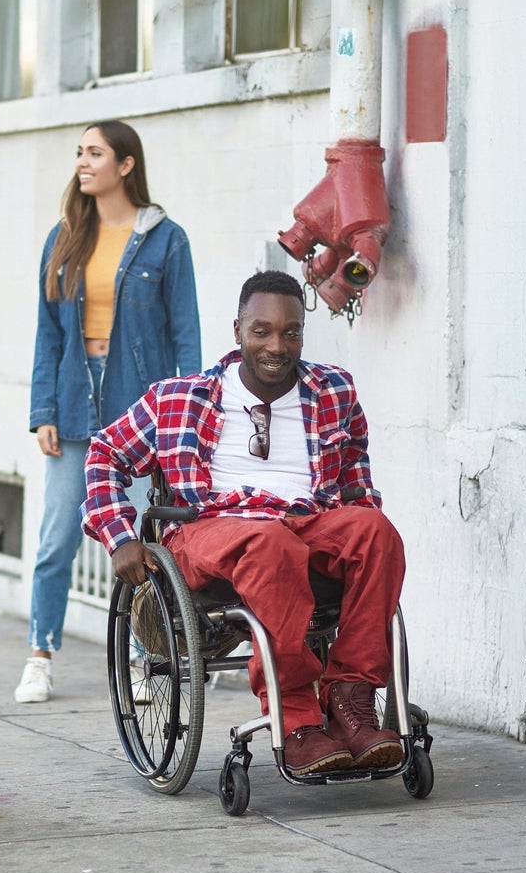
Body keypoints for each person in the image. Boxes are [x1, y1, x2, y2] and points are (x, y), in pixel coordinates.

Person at [82, 269, 406, 775]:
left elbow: (357, 486)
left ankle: (350, 700)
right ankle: (296, 719)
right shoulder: (179, 398)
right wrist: (120, 536)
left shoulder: (333, 391)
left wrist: (363, 544)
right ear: (238, 332)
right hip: (211, 527)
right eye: (262, 331)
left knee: (376, 532)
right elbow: (104, 454)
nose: (277, 345)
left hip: (307, 520)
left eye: (291, 332)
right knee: (268, 541)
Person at [18, 121, 200, 703]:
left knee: (145, 537)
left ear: (125, 165)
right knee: (56, 538)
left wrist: (187, 419)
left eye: (94, 153)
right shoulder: (64, 237)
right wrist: (43, 408)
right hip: (73, 402)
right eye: (79, 153)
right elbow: (48, 335)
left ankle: (148, 658)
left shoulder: (165, 240)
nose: (82, 162)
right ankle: (40, 654)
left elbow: (186, 337)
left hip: (140, 410)